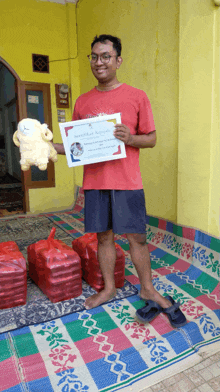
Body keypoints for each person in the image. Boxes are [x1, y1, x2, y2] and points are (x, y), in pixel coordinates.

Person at [53, 34, 187, 327]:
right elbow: (75, 145)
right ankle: (109, 288)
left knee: (136, 237)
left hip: (127, 181)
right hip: (96, 181)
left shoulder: (136, 96)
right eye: (94, 56)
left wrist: (130, 137)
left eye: (105, 56)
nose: (98, 62)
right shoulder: (83, 101)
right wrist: (45, 145)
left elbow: (151, 139)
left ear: (118, 61)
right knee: (104, 237)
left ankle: (147, 287)